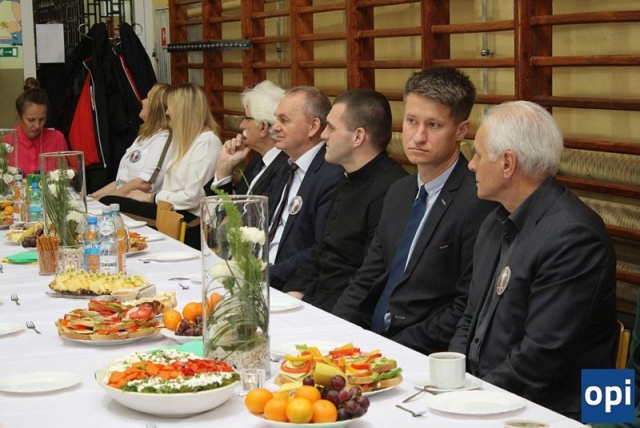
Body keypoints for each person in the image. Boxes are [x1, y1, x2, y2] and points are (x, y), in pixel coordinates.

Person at [448, 101, 617, 420]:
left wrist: (474, 399)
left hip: (565, 408)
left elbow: (542, 356)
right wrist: (453, 379)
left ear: (507, 163)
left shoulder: (575, 236)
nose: (471, 165)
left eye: (478, 155)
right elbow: (470, 318)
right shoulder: (494, 221)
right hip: (491, 392)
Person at [332, 67, 496, 355]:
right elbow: (367, 276)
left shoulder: (478, 201)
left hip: (421, 351)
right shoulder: (399, 191)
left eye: (433, 125)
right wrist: (335, 332)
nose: (418, 137)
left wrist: (389, 351)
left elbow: (465, 306)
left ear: (461, 130)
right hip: (370, 341)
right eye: (411, 121)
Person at [282, 89, 407, 311]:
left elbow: (370, 276)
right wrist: (293, 295)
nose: (323, 135)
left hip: (344, 311)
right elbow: (322, 251)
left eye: (331, 127)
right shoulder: (346, 177)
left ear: (358, 137)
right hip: (317, 299)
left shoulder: (392, 189)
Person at [103, 83, 222, 249]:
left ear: (183, 111)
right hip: (170, 211)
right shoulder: (189, 141)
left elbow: (192, 198)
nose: (167, 113)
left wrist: (151, 198)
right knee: (109, 203)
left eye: (170, 108)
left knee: (109, 203)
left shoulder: (207, 143)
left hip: (186, 221)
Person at [268, 86, 344, 290]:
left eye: (284, 120)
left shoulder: (331, 175)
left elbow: (319, 249)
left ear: (313, 127)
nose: (275, 127)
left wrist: (264, 275)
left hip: (290, 285)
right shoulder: (286, 164)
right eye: (276, 119)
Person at [90, 83, 172, 200]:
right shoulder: (142, 138)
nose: (142, 101)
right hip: (123, 200)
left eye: (148, 98)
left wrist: (105, 200)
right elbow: (120, 183)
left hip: (141, 204)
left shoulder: (163, 139)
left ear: (156, 107)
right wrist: (93, 197)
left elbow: (144, 183)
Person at [208, 80, 288, 198]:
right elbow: (228, 207)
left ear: (263, 127)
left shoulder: (284, 169)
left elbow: (246, 210)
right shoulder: (257, 161)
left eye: (246, 118)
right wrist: (223, 171)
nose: (241, 125)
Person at [9, 78, 68, 175]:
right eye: (31, 120)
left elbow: (66, 175)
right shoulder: (7, 141)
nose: (37, 126)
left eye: (42, 119)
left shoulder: (57, 139)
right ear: (19, 116)